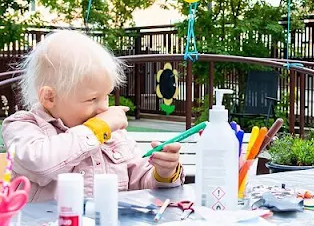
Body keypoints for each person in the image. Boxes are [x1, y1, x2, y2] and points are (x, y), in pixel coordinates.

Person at [2, 30, 184, 202]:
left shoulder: (112, 134)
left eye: (107, 96)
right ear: (50, 97)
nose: (103, 107)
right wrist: (96, 129)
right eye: (92, 99)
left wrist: (163, 173)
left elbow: (139, 182)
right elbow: (41, 165)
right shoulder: (22, 126)